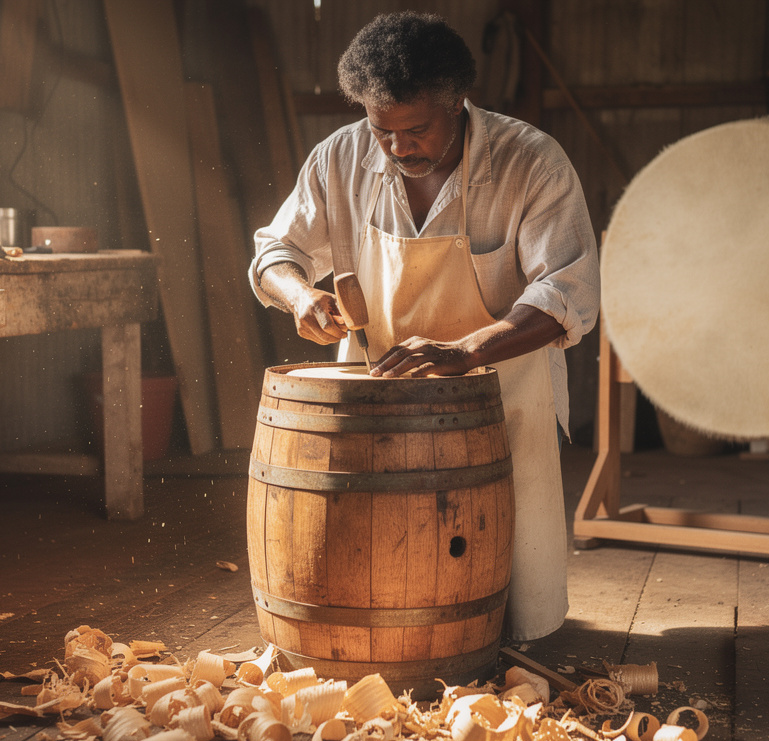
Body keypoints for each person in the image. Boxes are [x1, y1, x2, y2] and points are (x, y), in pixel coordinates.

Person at [249, 11, 598, 642]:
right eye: (383, 130)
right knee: (375, 576)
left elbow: (567, 291)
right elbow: (275, 252)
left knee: (521, 599)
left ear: (457, 103)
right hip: (379, 395)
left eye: (416, 130)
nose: (397, 146)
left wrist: (468, 349)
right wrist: (300, 296)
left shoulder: (530, 162)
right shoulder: (342, 156)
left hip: (500, 392)